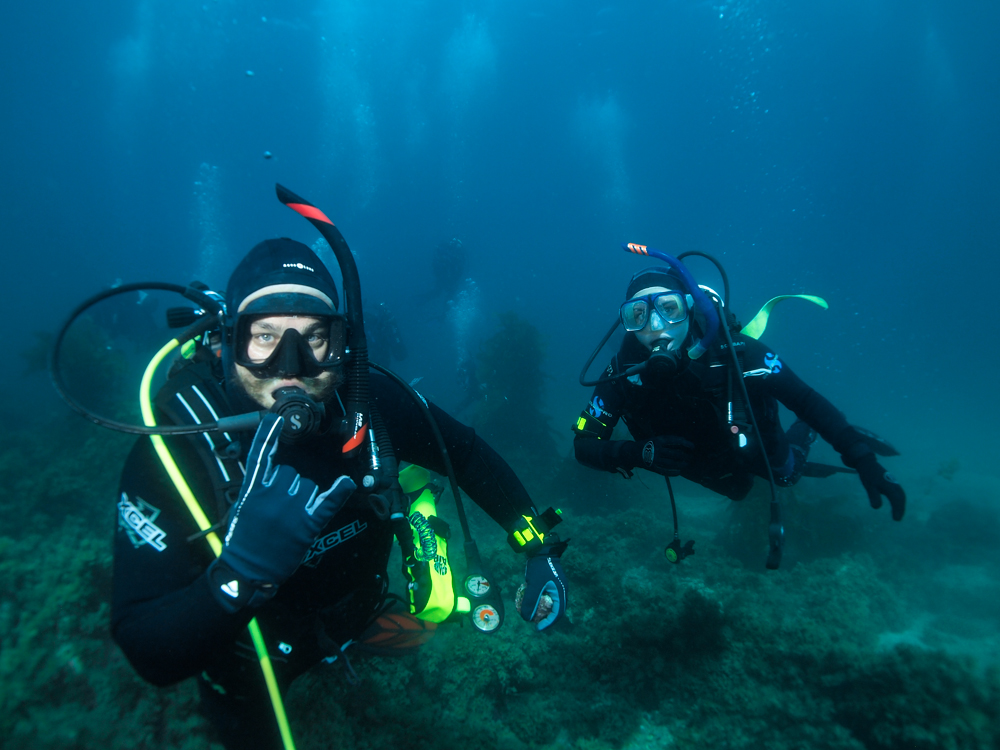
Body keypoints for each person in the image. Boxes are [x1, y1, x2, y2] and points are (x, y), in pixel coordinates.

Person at [111, 238, 568, 749]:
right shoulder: (176, 449)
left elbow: (464, 453)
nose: (291, 366)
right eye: (264, 336)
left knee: (409, 626)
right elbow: (145, 649)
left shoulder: (369, 402)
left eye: (314, 337)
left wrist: (537, 545)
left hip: (357, 612)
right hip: (251, 665)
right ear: (227, 340)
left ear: (343, 341)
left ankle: (356, 637)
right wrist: (240, 574)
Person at [573, 263, 906, 531]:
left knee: (786, 476)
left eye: (668, 307)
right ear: (627, 321)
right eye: (638, 315)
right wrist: (636, 453)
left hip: (754, 441)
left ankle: (806, 431)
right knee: (738, 490)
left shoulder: (739, 353)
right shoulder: (622, 371)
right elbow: (583, 445)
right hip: (707, 464)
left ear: (689, 306)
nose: (656, 325)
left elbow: (805, 400)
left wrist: (860, 456)